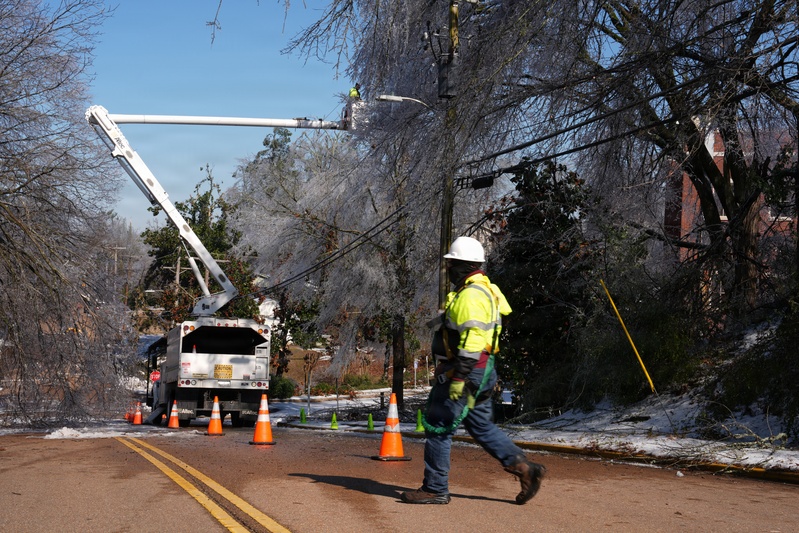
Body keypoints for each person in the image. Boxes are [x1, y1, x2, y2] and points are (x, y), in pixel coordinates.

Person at [401, 236, 545, 505]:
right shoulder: (486, 290)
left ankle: (435, 489)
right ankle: (525, 469)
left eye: (452, 264)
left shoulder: (470, 295)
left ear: (464, 266)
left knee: (438, 427)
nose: (449, 270)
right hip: (483, 371)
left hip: (467, 372)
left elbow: (474, 339)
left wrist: (460, 376)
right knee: (480, 425)